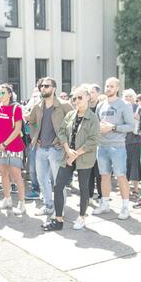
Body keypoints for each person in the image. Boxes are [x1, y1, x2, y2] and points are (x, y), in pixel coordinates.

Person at [42, 85, 100, 231]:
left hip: (84, 158)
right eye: (74, 98)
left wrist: (75, 154)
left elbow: (93, 140)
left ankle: (81, 217)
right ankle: (58, 220)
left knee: (83, 188)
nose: (77, 100)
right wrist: (67, 149)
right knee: (58, 185)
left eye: (80, 97)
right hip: (68, 156)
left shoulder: (93, 118)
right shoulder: (70, 115)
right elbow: (61, 132)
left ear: (88, 97)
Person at [27, 77, 73, 216]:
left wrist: (64, 140)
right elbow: (31, 122)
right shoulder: (38, 106)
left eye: (46, 86)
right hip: (41, 149)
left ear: (54, 88)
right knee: (42, 179)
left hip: (57, 149)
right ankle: (48, 206)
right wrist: (35, 137)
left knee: (58, 182)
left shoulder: (64, 105)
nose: (43, 88)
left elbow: (74, 124)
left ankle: (59, 210)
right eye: (41, 86)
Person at [91, 77, 136, 220]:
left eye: (111, 86)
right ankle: (104, 204)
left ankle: (125, 207)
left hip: (118, 147)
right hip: (102, 146)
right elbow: (96, 124)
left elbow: (131, 126)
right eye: (107, 86)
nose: (108, 88)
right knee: (104, 175)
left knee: (121, 176)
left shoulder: (124, 105)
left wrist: (113, 127)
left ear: (117, 88)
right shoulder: (100, 105)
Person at [0, 84, 26, 215]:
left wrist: (5, 144)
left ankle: (22, 203)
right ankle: (7, 199)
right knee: (3, 174)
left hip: (14, 146)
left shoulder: (16, 108)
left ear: (10, 94)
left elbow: (17, 129)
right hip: (0, 147)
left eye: (3, 93)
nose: (0, 95)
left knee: (16, 175)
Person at [123, 88, 141, 199]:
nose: (128, 98)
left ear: (134, 98)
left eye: (130, 96)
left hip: (135, 140)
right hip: (123, 141)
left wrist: (138, 119)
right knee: (124, 165)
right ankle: (125, 188)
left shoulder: (139, 108)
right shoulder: (121, 109)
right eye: (126, 96)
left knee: (135, 164)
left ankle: (135, 188)